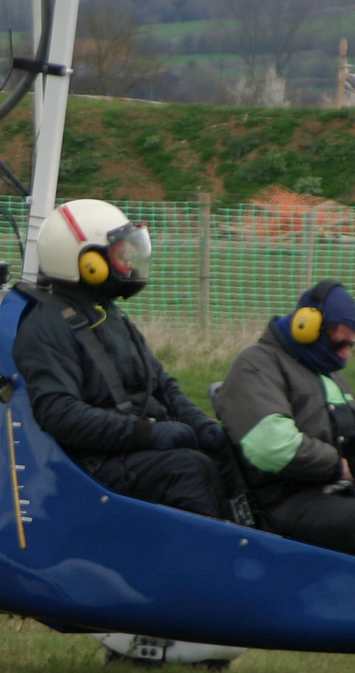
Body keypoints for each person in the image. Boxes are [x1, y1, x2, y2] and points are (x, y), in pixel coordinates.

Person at [12, 199, 230, 518]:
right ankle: (205, 562)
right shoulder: (47, 326)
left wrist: (200, 424)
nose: (129, 263)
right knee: (189, 469)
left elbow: (162, 385)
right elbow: (58, 412)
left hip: (129, 448)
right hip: (96, 463)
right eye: (120, 255)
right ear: (87, 262)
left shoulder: (109, 315)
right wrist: (148, 433)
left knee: (227, 454)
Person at [214, 280, 355, 565]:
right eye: (340, 344)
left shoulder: (327, 371)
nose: (345, 355)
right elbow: (271, 446)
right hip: (290, 502)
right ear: (306, 327)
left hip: (338, 497)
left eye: (351, 346)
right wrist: (340, 468)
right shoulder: (257, 364)